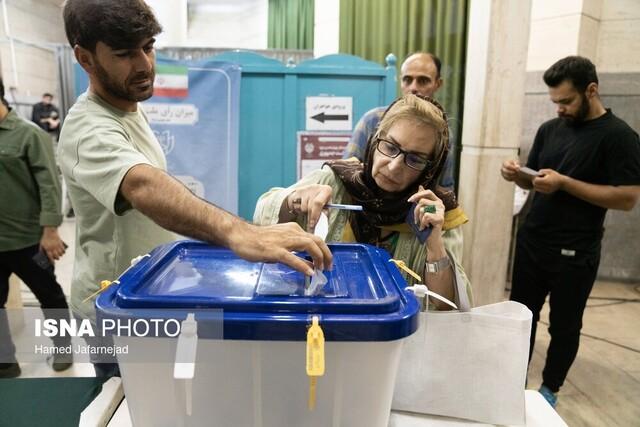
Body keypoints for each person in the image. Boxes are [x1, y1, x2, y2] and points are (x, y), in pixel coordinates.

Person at [59, 0, 331, 377]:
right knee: (133, 399)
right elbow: (143, 184)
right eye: (124, 54)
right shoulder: (88, 129)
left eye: (148, 47)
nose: (144, 64)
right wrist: (241, 233)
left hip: (147, 296)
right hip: (113, 310)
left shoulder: (125, 106)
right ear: (85, 59)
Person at [501, 56, 640, 407]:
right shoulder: (551, 129)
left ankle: (550, 390)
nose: (559, 108)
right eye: (555, 102)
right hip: (533, 242)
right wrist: (517, 174)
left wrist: (564, 184)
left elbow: (627, 198)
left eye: (566, 101)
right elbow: (535, 180)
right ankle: (511, 382)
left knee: (564, 326)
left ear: (591, 90)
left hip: (575, 252)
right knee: (522, 318)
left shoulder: (619, 137)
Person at [255, 95, 471, 309]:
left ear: (430, 169)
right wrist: (293, 201)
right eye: (390, 147)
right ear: (375, 140)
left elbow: (448, 305)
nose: (394, 166)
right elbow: (260, 217)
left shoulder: (435, 213)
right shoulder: (335, 182)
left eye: (415, 159)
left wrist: (434, 245)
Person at [0, 77, 73, 378]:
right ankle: (5, 360)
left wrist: (51, 230)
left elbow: (49, 185)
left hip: (31, 240)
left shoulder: (28, 134)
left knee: (50, 295)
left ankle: (63, 348)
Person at [342, 52, 456, 190]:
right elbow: (344, 173)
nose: (413, 88)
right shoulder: (373, 120)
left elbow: (444, 189)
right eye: (407, 80)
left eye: (423, 81)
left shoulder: (442, 134)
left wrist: (435, 203)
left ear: (438, 84)